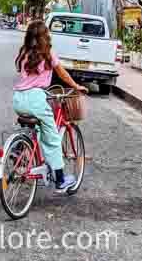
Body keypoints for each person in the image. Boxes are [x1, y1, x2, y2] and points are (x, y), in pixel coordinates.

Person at [13, 20, 88, 192]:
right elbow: (62, 73)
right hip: (36, 98)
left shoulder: (23, 52)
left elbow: (27, 76)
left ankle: (20, 149)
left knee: (37, 129)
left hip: (18, 99)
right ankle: (60, 180)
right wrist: (76, 86)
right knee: (53, 139)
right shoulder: (47, 53)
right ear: (44, 36)